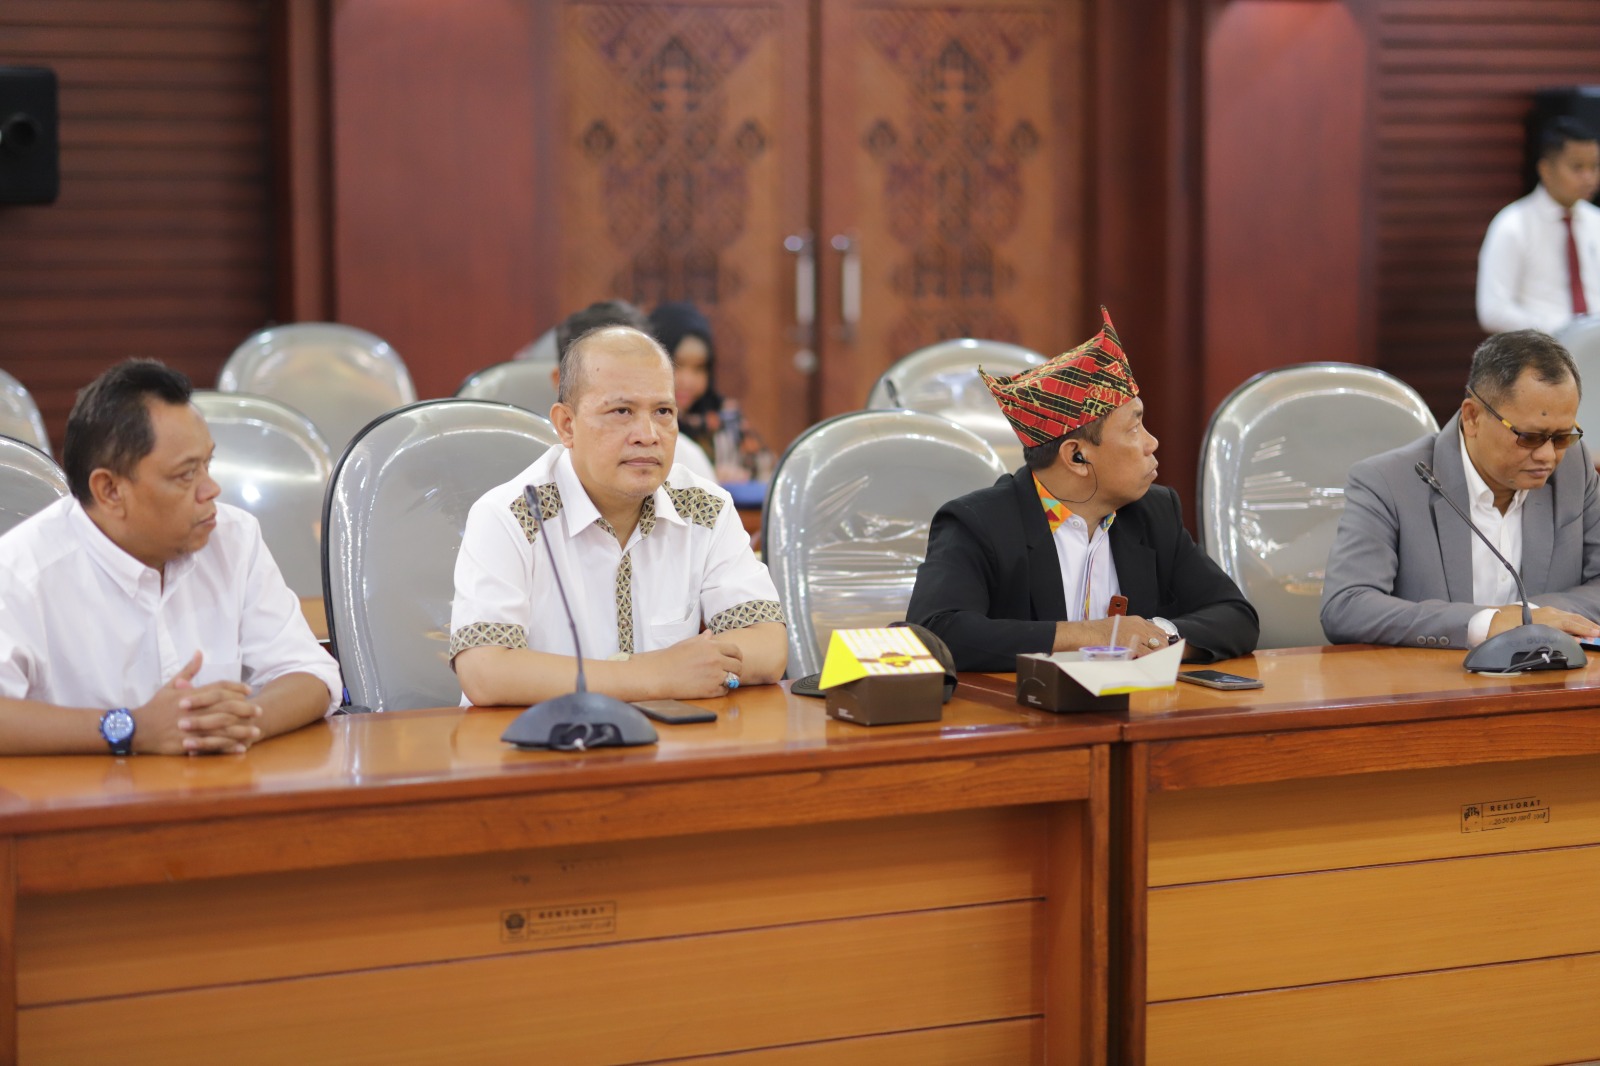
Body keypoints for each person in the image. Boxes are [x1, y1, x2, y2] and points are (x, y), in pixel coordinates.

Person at [0, 361, 342, 755]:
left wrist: (242, 722)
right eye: (186, 475)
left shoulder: (233, 537)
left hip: (219, 784)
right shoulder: (21, 573)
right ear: (110, 490)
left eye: (207, 465)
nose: (211, 489)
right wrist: (131, 728)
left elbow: (309, 672)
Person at [906, 308, 1259, 672]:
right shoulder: (978, 523)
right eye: (1134, 429)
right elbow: (934, 633)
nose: (1152, 443)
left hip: (1135, 702)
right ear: (1077, 457)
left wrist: (1156, 636)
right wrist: (1093, 635)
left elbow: (1236, 616)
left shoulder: (1153, 513)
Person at [450, 325, 787, 704]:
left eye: (663, 411)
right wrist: (657, 675)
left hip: (670, 737)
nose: (648, 434)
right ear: (567, 425)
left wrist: (673, 673)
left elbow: (767, 645)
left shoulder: (704, 507)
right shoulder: (512, 515)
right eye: (622, 411)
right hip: (542, 738)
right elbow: (484, 671)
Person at [1321, 330, 1600, 648]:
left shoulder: (1573, 467)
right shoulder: (1387, 482)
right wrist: (1488, 623)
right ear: (1473, 417)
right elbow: (1347, 606)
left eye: (1562, 437)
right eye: (1529, 437)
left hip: (1547, 672)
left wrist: (1531, 617)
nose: (1548, 456)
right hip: (1432, 676)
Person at [1476, 116, 1600, 336]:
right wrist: (1563, 333)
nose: (1589, 178)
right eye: (1577, 167)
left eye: (1595, 166)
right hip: (1541, 350)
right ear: (1545, 170)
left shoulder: (1596, 221)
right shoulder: (1512, 225)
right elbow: (1493, 311)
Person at [648, 301, 771, 483]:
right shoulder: (643, 422)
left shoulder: (726, 418)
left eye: (699, 369)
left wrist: (739, 476)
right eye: (676, 365)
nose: (688, 381)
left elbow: (767, 472)